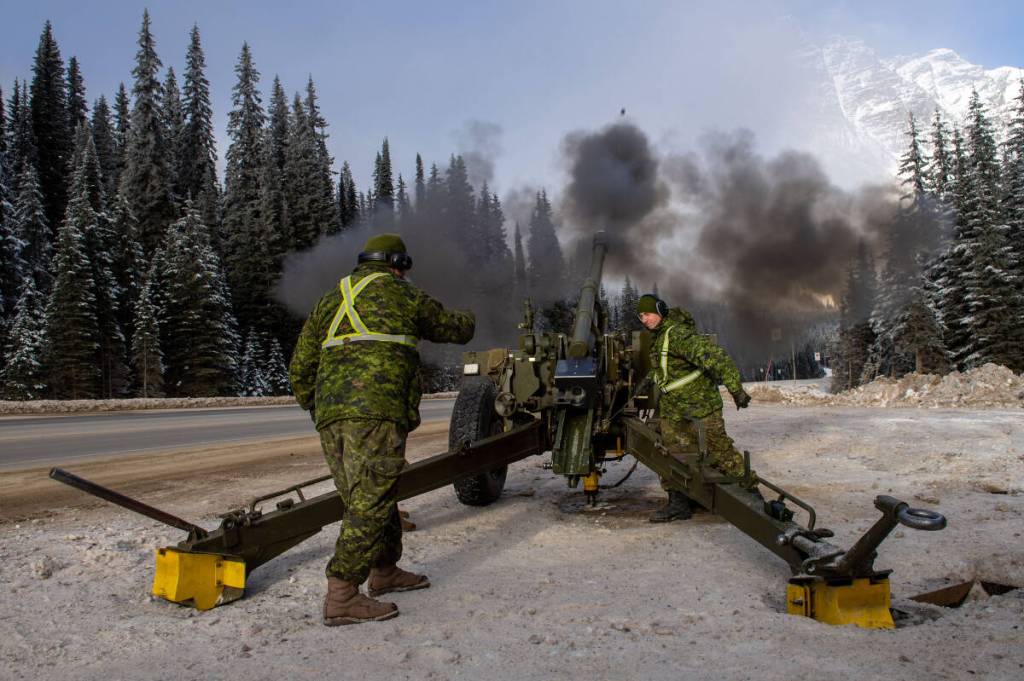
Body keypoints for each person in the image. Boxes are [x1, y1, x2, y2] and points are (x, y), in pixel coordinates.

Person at [289, 233, 475, 626]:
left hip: (331, 417)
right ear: (398, 265)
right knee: (371, 500)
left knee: (371, 492)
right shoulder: (401, 294)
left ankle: (385, 570)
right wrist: (472, 314)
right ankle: (342, 593)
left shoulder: (330, 299)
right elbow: (454, 328)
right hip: (377, 411)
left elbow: (300, 367)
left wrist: (319, 406)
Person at [636, 294, 753, 522]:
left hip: (700, 406)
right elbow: (667, 366)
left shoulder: (678, 334)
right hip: (674, 409)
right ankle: (679, 503)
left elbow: (717, 358)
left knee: (720, 452)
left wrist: (736, 389)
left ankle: (752, 494)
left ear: (660, 311)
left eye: (648, 314)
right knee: (672, 455)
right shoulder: (659, 337)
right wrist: (648, 380)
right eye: (640, 316)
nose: (644, 320)